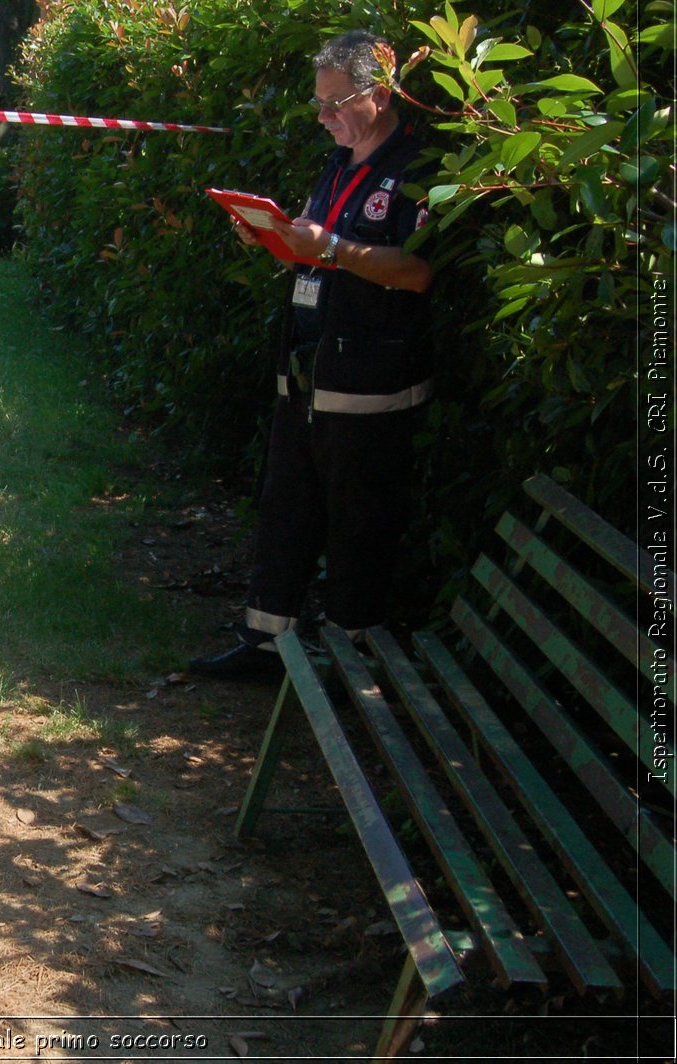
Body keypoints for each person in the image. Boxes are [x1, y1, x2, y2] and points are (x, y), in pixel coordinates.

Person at [192, 31, 434, 679]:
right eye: (318, 105)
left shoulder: (416, 168)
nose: (324, 118)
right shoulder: (338, 161)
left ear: (380, 95)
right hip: (305, 375)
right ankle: (263, 645)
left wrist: (327, 248)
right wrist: (268, 235)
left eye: (335, 103)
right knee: (286, 512)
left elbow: (414, 271)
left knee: (359, 527)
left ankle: (353, 664)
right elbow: (310, 242)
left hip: (368, 386)